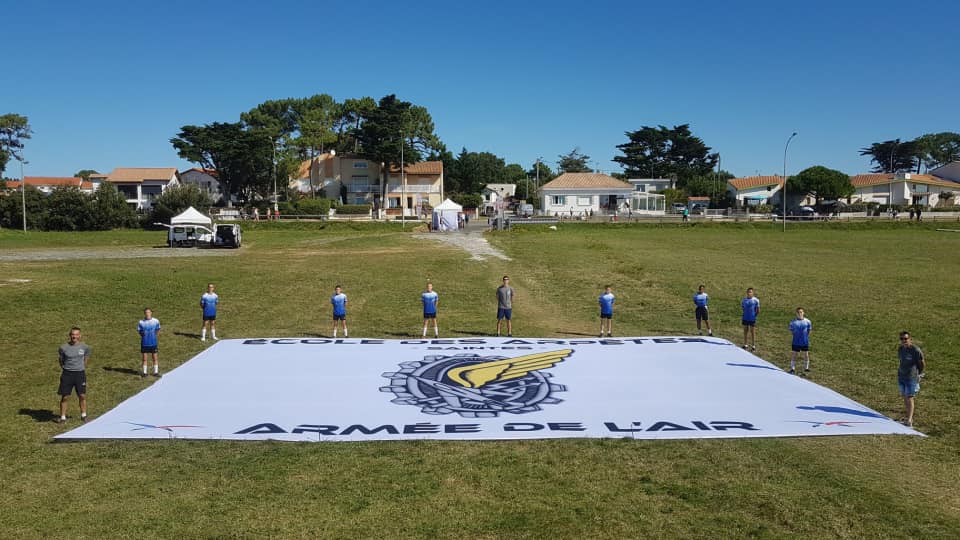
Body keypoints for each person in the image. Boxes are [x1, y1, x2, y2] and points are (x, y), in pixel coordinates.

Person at [57, 327, 91, 424]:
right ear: (70, 335)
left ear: (80, 335)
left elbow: (86, 359)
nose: (74, 336)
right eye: (72, 334)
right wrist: (65, 368)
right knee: (65, 397)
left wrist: (81, 367)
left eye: (76, 334)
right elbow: (61, 360)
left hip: (80, 374)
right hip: (67, 374)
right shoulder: (63, 348)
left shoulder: (85, 347)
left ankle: (84, 415)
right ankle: (63, 417)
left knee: (82, 395)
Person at [897, 331, 925, 427]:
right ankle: (907, 417)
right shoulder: (901, 349)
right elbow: (901, 361)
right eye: (902, 339)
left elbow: (921, 363)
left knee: (910, 397)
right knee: (905, 396)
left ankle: (909, 420)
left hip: (911, 377)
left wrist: (919, 374)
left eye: (905, 338)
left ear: (910, 339)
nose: (904, 340)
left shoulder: (915, 350)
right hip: (901, 376)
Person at [788, 307, 812, 374]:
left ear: (803, 313)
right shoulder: (793, 322)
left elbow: (809, 330)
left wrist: (806, 337)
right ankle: (792, 368)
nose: (800, 313)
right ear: (796, 313)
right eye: (798, 312)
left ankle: (806, 368)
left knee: (806, 354)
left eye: (801, 312)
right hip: (796, 341)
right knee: (794, 355)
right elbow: (791, 330)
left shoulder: (807, 321)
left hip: (804, 341)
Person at [138, 308, 161, 378]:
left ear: (151, 313)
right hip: (144, 343)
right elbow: (139, 331)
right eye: (146, 312)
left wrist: (154, 335)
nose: (147, 314)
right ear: (144, 314)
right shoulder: (141, 322)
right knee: (144, 359)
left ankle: (156, 372)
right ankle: (144, 373)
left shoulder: (156, 321)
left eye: (148, 312)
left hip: (153, 343)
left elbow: (158, 329)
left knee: (155, 358)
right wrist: (142, 333)